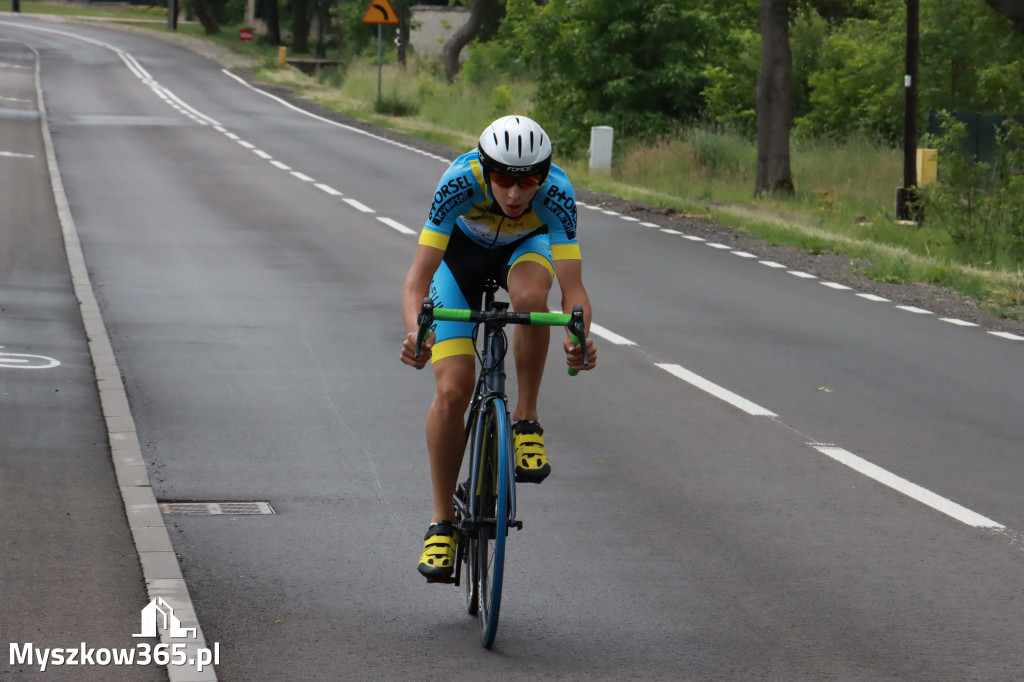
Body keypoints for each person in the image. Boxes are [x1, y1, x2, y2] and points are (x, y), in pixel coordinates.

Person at [400, 115, 597, 580]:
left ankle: (525, 420)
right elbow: (417, 281)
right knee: (453, 390)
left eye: (527, 181)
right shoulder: (458, 182)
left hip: (524, 251)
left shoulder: (558, 193)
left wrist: (580, 337)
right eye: (504, 179)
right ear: (486, 170)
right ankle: (441, 523)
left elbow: (574, 292)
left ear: (543, 176)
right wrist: (416, 332)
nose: (514, 193)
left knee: (532, 300)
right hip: (459, 261)